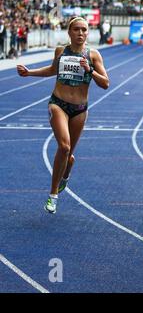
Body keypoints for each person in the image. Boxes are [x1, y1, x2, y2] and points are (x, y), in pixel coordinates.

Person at [17, 17, 109, 214]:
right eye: (76, 29)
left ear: (88, 33)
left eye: (84, 30)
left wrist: (90, 70)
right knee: (64, 146)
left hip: (80, 109)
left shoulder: (93, 55)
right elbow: (52, 70)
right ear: (69, 32)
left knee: (68, 155)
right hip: (58, 103)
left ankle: (66, 171)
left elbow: (105, 83)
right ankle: (53, 195)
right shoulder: (61, 51)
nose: (81, 33)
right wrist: (29, 73)